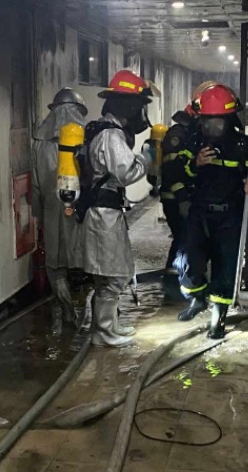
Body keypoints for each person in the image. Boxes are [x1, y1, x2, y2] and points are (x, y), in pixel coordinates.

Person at [174, 84, 248, 339]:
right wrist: (196, 163)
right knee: (190, 260)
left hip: (230, 216)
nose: (212, 128)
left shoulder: (244, 146)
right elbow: (179, 174)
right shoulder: (193, 142)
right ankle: (196, 299)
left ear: (228, 120)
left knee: (226, 267)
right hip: (199, 213)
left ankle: (218, 316)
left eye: (218, 122)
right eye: (207, 121)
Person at [83, 69, 154, 347]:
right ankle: (103, 332)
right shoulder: (111, 135)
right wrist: (145, 160)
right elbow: (125, 173)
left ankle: (108, 327)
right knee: (113, 275)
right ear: (130, 106)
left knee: (110, 274)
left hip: (105, 212)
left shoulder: (103, 130)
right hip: (104, 215)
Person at [31, 87, 88, 324]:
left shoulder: (38, 142)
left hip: (51, 209)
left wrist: (38, 215)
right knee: (90, 259)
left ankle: (68, 312)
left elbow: (35, 183)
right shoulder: (86, 137)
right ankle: (101, 317)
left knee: (55, 267)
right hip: (82, 209)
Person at [160, 104, 197, 272]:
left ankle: (177, 270)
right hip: (173, 197)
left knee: (184, 235)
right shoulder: (177, 134)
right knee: (182, 234)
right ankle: (173, 271)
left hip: (182, 195)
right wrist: (182, 196)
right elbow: (172, 168)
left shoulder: (189, 134)